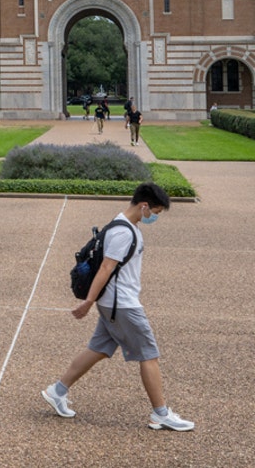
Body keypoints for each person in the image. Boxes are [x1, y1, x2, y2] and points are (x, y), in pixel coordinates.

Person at [41, 183, 194, 432]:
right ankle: (161, 414)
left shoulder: (122, 223)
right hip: (121, 305)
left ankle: (56, 391)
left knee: (99, 348)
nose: (154, 216)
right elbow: (105, 268)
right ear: (144, 206)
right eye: (155, 211)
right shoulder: (124, 233)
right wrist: (88, 302)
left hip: (113, 303)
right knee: (149, 355)